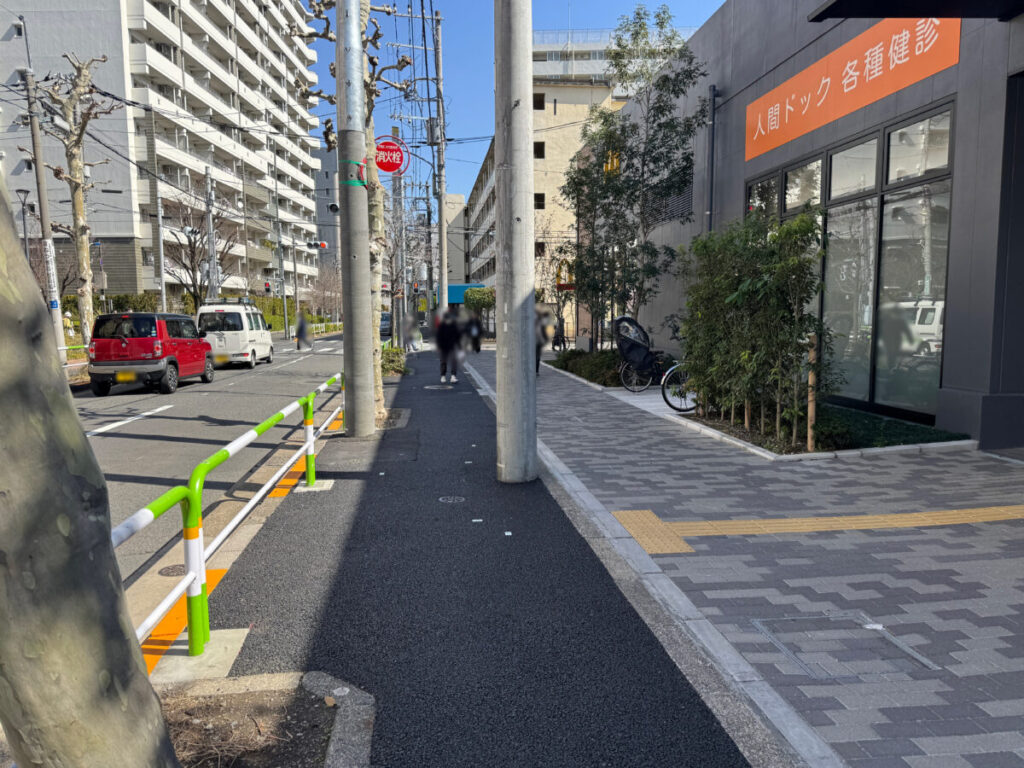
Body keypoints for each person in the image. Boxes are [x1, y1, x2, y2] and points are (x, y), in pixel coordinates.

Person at [436, 310, 461, 383]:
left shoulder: (444, 325)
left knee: (447, 361)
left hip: (448, 346)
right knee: (448, 361)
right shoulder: (449, 325)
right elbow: (458, 337)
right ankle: (448, 376)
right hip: (448, 346)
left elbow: (458, 336)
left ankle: (446, 376)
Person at [535, 310, 550, 375]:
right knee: (537, 357)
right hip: (537, 342)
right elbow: (540, 332)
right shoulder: (540, 323)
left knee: (536, 356)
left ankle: (535, 371)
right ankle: (536, 371)